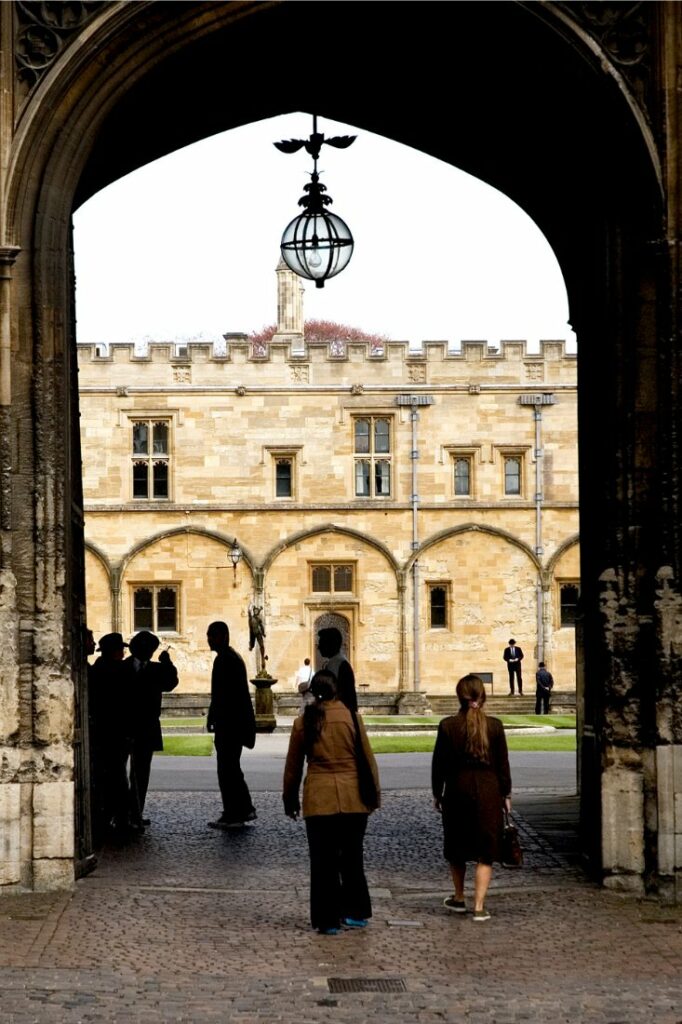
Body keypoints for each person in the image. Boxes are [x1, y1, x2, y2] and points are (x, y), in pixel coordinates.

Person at [283, 670, 380, 935]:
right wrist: (375, 795)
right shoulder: (352, 717)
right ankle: (356, 912)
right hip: (353, 797)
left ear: (313, 692)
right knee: (352, 858)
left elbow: (293, 768)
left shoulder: (304, 722)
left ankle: (327, 919)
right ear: (336, 691)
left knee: (323, 862)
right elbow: (368, 760)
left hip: (319, 798)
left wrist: (289, 798)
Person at [431, 673, 512, 922]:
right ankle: (479, 906)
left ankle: (458, 896)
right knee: (485, 850)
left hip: (457, 789)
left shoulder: (448, 726)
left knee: (457, 846)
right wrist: (506, 793)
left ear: (460, 696)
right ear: (482, 695)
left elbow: (439, 765)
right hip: (488, 790)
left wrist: (437, 792)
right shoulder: (495, 726)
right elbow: (502, 764)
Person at [122, 630, 179, 830]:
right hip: (123, 727)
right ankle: (122, 813)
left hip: (147, 728)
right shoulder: (122, 668)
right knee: (119, 773)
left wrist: (168, 663)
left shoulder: (157, 670)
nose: (149, 652)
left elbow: (171, 684)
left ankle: (136, 813)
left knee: (141, 773)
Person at [206, 620, 257, 828]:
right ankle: (243, 809)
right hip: (233, 722)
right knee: (231, 768)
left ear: (224, 636)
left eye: (212, 635)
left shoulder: (225, 660)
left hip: (230, 724)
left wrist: (213, 717)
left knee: (227, 769)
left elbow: (223, 695)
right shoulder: (231, 657)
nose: (209, 639)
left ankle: (234, 813)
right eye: (209, 635)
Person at [89, 632, 131, 840]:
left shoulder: (98, 669)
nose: (123, 653)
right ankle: (118, 818)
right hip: (114, 732)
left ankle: (109, 817)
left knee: (109, 777)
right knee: (117, 778)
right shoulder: (116, 671)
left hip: (105, 731)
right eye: (120, 649)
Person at [317, 627, 358, 711]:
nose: (318, 647)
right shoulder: (336, 663)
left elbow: (347, 696)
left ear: (329, 644)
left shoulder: (340, 664)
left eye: (321, 643)